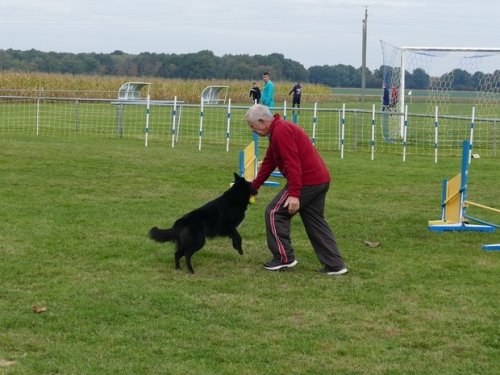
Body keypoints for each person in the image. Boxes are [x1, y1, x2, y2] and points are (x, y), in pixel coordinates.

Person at [245, 104, 348, 275]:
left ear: (262, 121)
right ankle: (335, 265)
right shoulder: (278, 130)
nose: (252, 130)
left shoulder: (281, 131)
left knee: (274, 213)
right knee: (315, 221)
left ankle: (284, 258)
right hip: (319, 180)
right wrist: (254, 187)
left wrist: (294, 194)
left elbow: (293, 163)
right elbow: (270, 161)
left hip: (307, 181)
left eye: (252, 126)